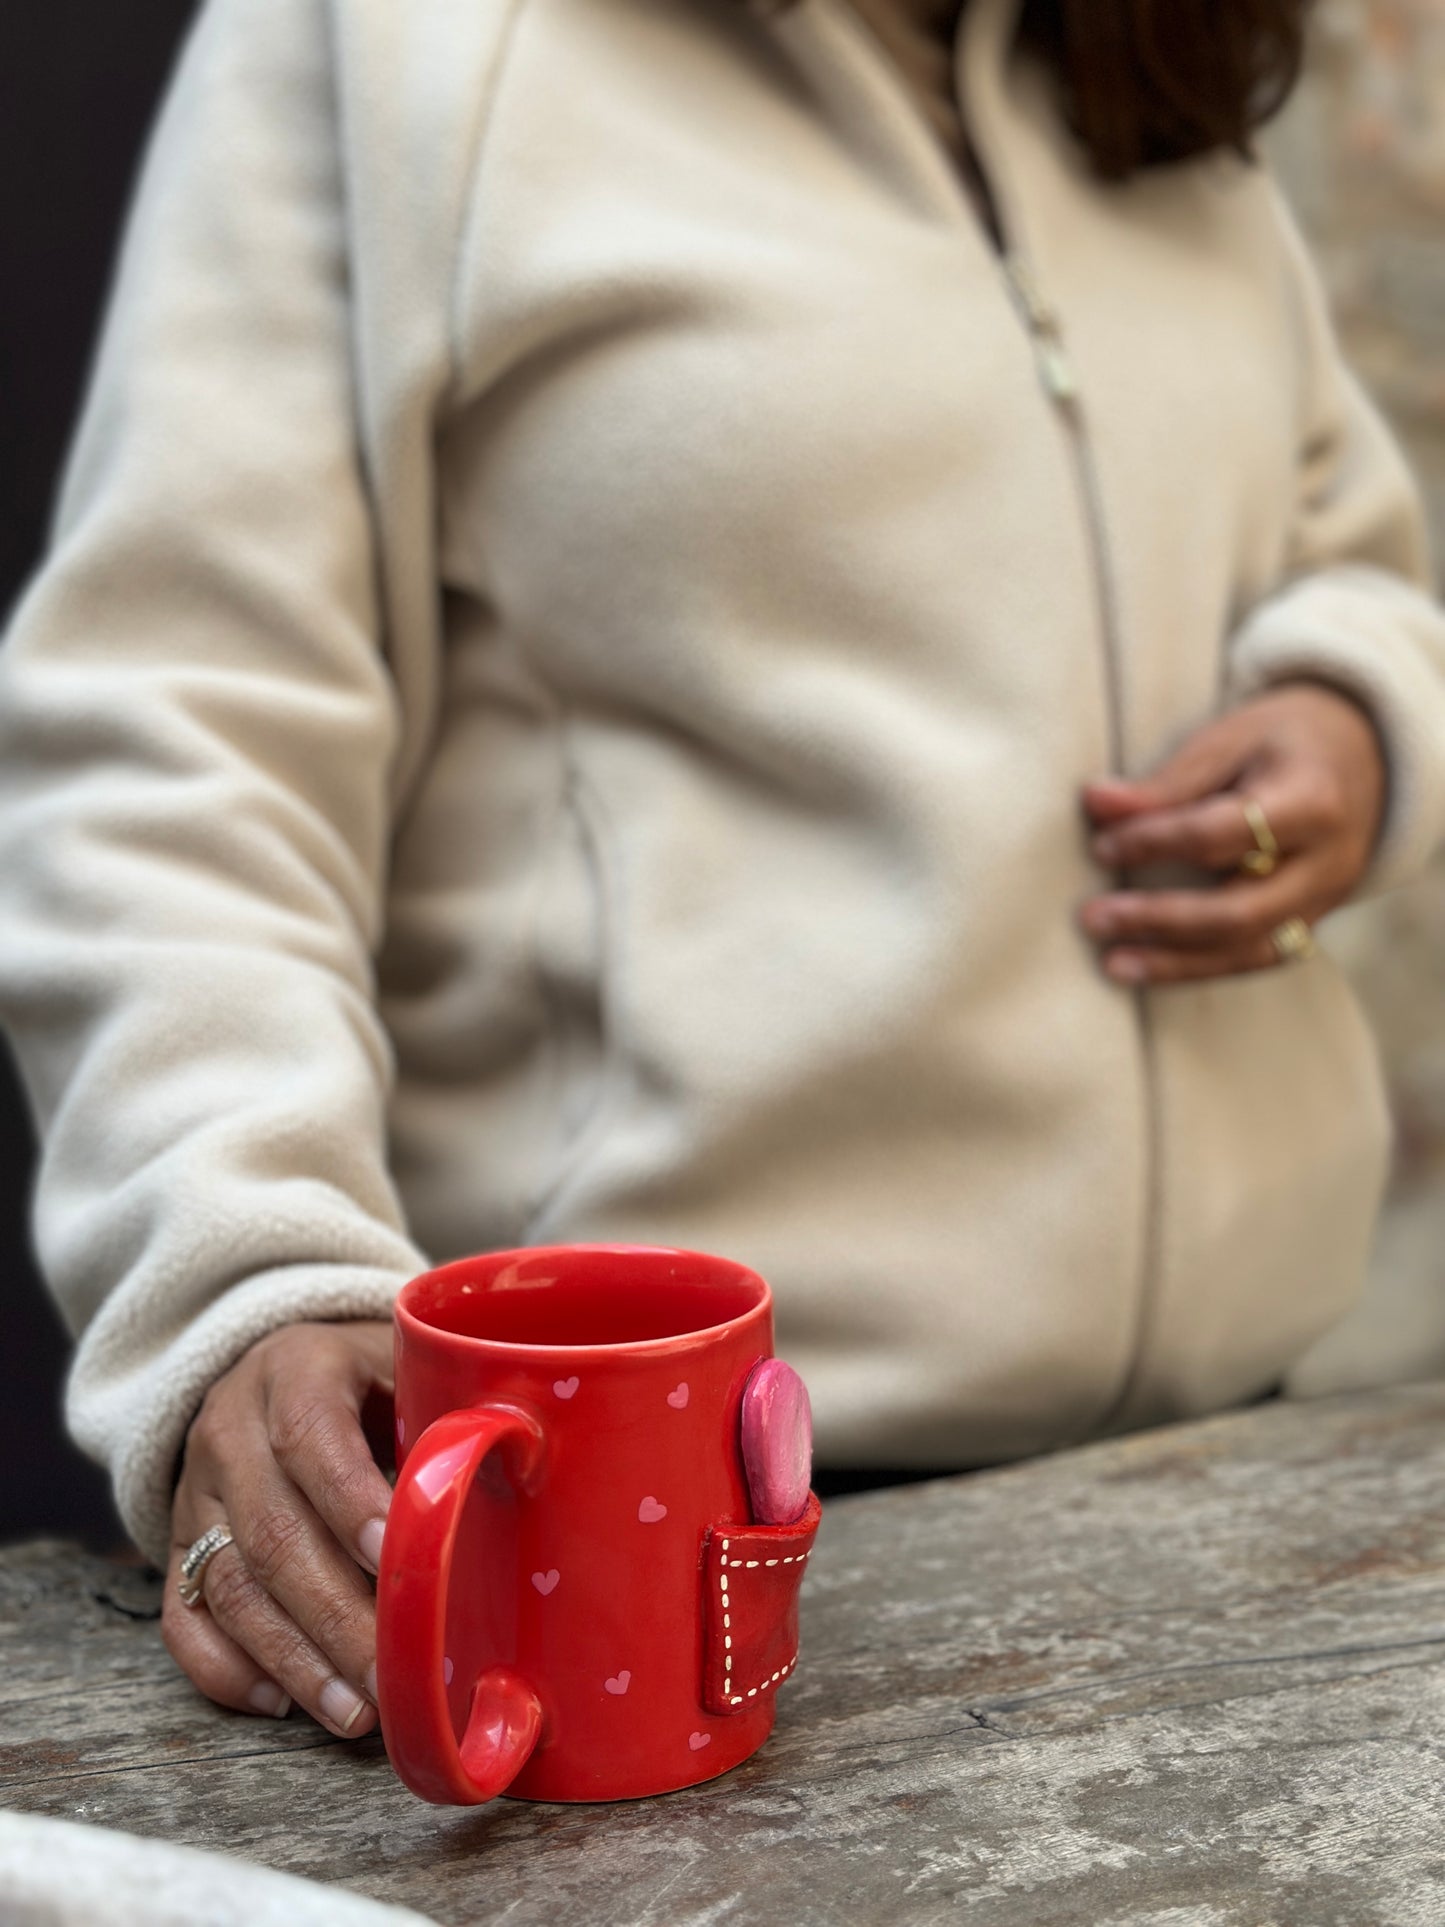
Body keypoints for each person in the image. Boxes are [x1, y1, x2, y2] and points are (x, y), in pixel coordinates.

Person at [2, 0, 1443, 1746]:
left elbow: (1332, 537)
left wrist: (1353, 703)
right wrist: (238, 1277)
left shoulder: (1144, 58)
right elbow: (177, 730)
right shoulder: (387, 41)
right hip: (655, 1555)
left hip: (1242, 1500)